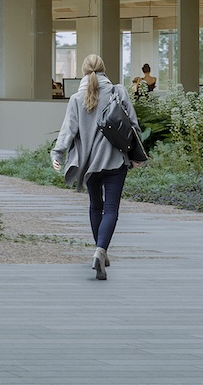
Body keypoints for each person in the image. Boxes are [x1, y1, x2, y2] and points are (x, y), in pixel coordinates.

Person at [51, 53, 140, 280]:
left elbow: (67, 131)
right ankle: (100, 251)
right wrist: (136, 154)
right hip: (115, 160)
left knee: (95, 207)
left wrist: (57, 154)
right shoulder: (118, 92)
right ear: (103, 69)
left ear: (83, 71)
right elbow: (133, 126)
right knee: (111, 209)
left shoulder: (76, 99)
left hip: (89, 164)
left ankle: (100, 249)